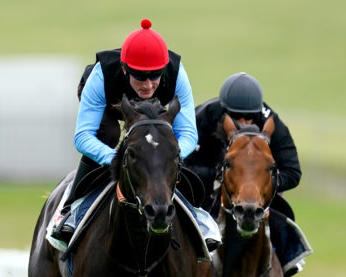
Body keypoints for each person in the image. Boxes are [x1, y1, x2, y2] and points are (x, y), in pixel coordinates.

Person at [51, 19, 220, 251]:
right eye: (140, 77)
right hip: (110, 108)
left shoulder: (176, 73)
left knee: (164, 146)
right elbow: (82, 136)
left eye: (155, 76)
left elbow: (189, 133)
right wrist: (115, 158)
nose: (148, 85)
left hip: (154, 116)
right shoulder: (102, 75)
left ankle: (197, 218)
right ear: (124, 69)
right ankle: (70, 211)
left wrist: (168, 154)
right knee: (108, 134)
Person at [184, 72, 311, 277]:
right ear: (224, 111)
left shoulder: (271, 122)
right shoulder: (204, 116)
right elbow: (180, 164)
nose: (243, 123)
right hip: (205, 185)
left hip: (255, 193)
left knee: (281, 220)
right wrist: (214, 174)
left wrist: (262, 183)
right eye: (236, 117)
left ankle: (287, 259)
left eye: (248, 118)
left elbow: (293, 171)